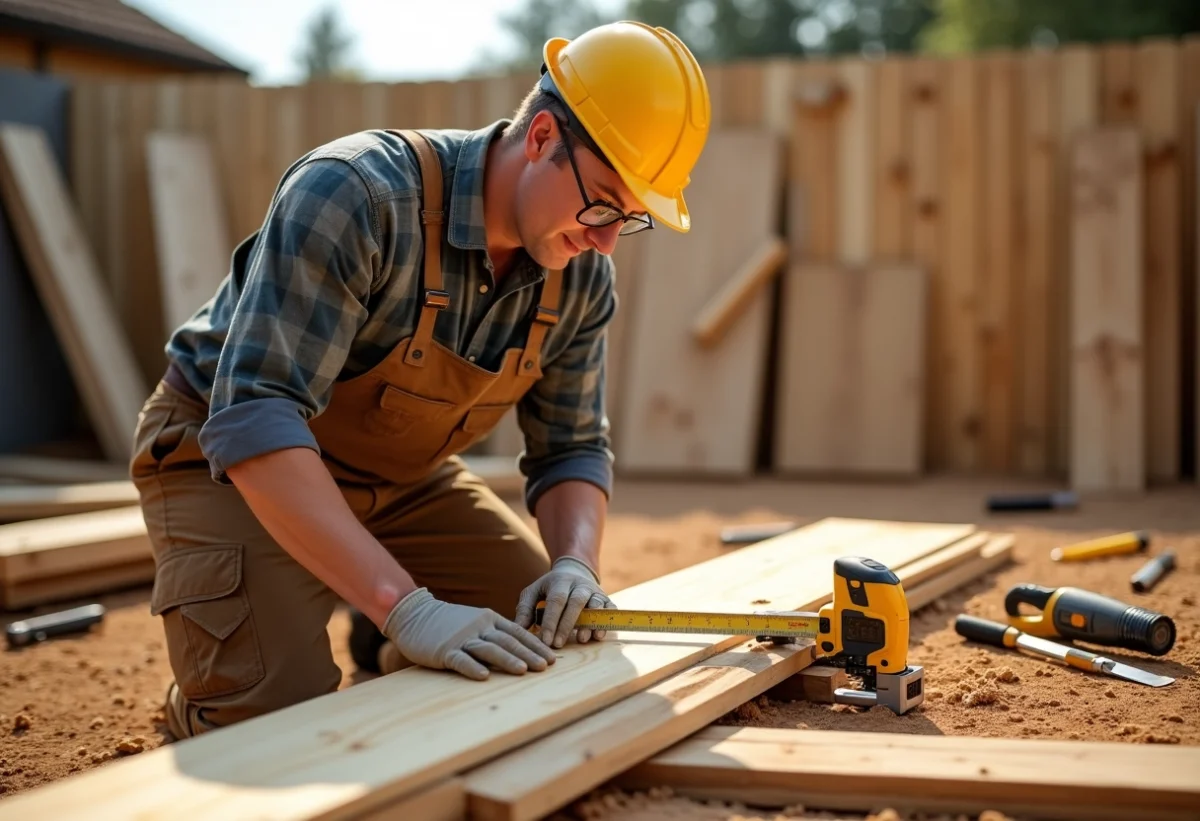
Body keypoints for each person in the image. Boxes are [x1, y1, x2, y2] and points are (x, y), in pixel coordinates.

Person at [128, 19, 711, 740]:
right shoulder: (357, 196)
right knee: (277, 722)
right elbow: (254, 418)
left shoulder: (580, 275)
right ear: (540, 140)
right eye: (602, 203)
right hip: (230, 466)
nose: (604, 238)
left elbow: (571, 446)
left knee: (548, 642)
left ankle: (379, 631)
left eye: (629, 217)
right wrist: (408, 605)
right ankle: (220, 691)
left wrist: (575, 564)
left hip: (402, 479)